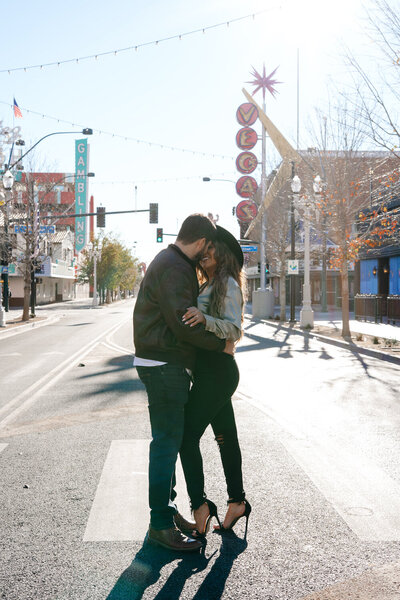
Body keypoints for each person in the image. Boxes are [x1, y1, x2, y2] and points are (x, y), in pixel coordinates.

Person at [133, 214, 234, 552]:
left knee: (172, 439)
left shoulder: (171, 261)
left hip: (163, 362)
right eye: (208, 247)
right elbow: (182, 325)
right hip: (164, 364)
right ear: (203, 241)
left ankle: (168, 509)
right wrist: (221, 344)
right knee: (166, 443)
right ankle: (160, 524)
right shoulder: (177, 268)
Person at [179, 225, 251, 539]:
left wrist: (203, 318)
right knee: (225, 438)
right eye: (203, 251)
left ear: (222, 254)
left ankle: (200, 507)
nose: (205, 256)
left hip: (219, 371)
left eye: (211, 251)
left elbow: (234, 330)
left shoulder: (228, 284)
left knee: (186, 437)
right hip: (212, 371)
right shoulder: (210, 283)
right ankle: (236, 502)